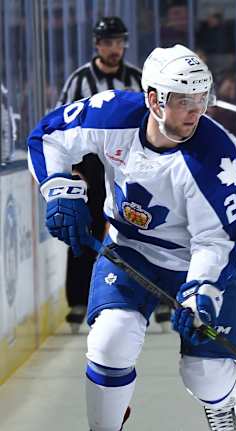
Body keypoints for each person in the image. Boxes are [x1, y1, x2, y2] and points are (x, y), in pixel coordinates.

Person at [27, 44, 236, 431]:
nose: (195, 111)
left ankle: (219, 400)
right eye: (183, 100)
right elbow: (47, 136)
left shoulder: (215, 156)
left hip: (194, 264)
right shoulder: (113, 115)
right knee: (110, 340)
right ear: (153, 99)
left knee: (204, 375)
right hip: (128, 250)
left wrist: (201, 290)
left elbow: (218, 238)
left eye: (201, 99)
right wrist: (56, 186)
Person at [56, 17, 150, 332]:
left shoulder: (138, 78)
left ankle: (156, 299)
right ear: (97, 45)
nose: (115, 48)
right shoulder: (79, 80)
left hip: (131, 165)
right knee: (86, 228)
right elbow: (61, 126)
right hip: (91, 167)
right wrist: (71, 170)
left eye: (119, 42)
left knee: (145, 229)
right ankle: (79, 301)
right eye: (108, 42)